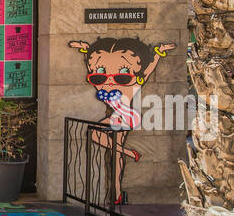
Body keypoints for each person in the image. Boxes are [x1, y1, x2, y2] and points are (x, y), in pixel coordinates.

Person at [68, 35, 176, 203]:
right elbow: (91, 66)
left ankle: (120, 177)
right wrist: (85, 51)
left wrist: (158, 53)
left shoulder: (134, 84)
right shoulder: (101, 83)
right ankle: (118, 186)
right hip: (115, 117)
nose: (110, 79)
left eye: (123, 73)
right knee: (113, 151)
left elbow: (148, 70)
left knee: (98, 137)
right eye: (101, 74)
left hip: (126, 117)